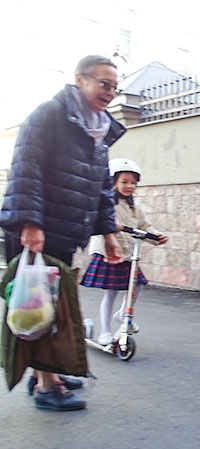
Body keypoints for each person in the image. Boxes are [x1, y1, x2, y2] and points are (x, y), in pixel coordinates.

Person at [0, 55, 125, 410]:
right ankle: (45, 386)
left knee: (52, 306)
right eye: (104, 84)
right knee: (39, 307)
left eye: (115, 87)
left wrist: (109, 233)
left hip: (64, 231)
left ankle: (46, 374)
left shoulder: (97, 129)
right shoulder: (50, 115)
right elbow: (26, 168)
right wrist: (31, 223)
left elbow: (101, 188)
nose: (110, 92)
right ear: (80, 80)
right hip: (39, 230)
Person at [80, 158, 168, 345]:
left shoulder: (133, 207)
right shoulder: (106, 203)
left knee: (137, 284)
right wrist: (110, 226)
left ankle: (122, 314)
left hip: (128, 254)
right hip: (108, 253)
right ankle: (104, 331)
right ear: (113, 182)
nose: (130, 186)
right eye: (125, 182)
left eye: (133, 183)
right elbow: (98, 221)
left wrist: (156, 236)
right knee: (111, 292)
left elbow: (144, 226)